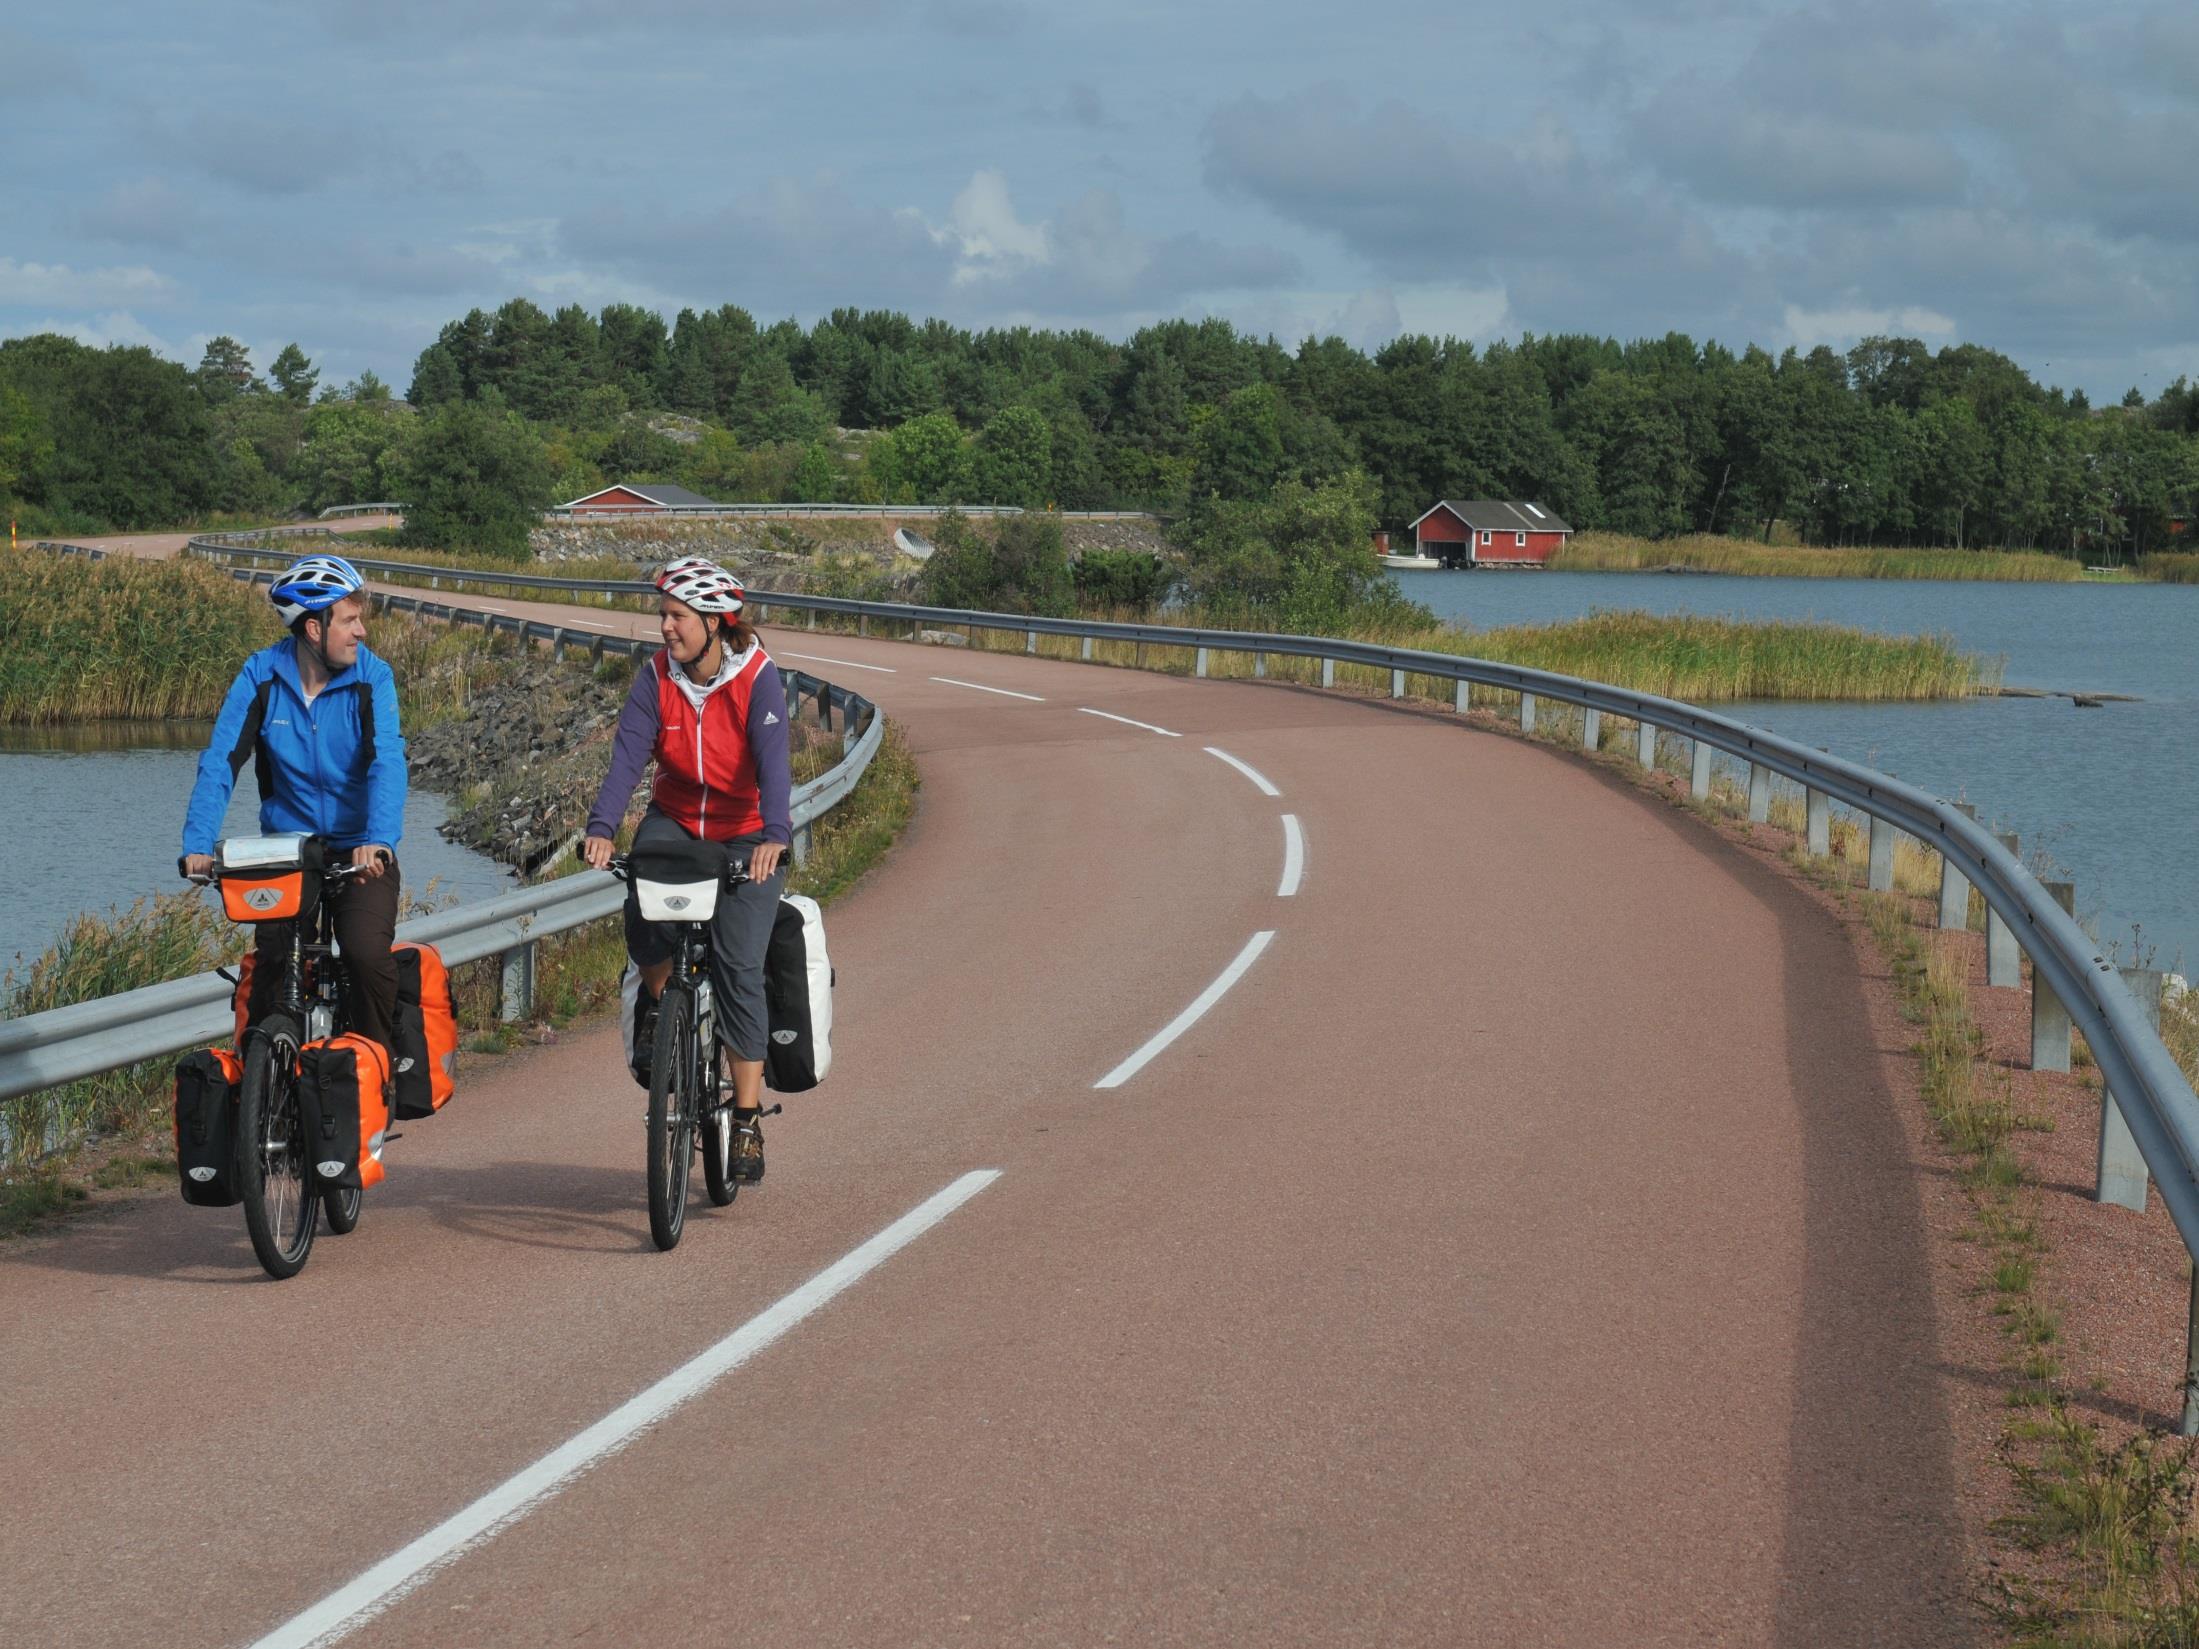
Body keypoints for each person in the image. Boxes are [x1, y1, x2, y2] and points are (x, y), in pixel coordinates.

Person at [583, 556, 793, 1181]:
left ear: (713, 621)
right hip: (676, 821)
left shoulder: (757, 677)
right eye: (663, 617)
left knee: (737, 965)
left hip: (745, 830)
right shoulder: (656, 677)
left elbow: (775, 762)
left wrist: (775, 836)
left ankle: (748, 1120)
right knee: (641, 911)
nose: (666, 629)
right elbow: (628, 758)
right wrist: (601, 827)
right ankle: (662, 1009)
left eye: (677, 617)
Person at [180, 553, 406, 1061]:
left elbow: (387, 762)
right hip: (288, 853)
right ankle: (256, 1097)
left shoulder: (374, 679)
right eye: (349, 620)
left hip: (358, 851)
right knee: (275, 965)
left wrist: (380, 840)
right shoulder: (261, 675)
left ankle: (377, 1067)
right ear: (312, 627)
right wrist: (197, 845)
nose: (362, 631)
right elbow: (221, 761)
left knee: (367, 954)